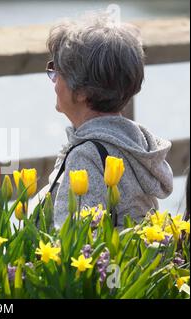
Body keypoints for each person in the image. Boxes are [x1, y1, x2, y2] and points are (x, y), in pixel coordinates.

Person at [30, 12, 174, 227]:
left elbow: (73, 240)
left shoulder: (86, 156)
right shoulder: (137, 144)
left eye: (57, 72)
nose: (54, 81)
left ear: (82, 92)